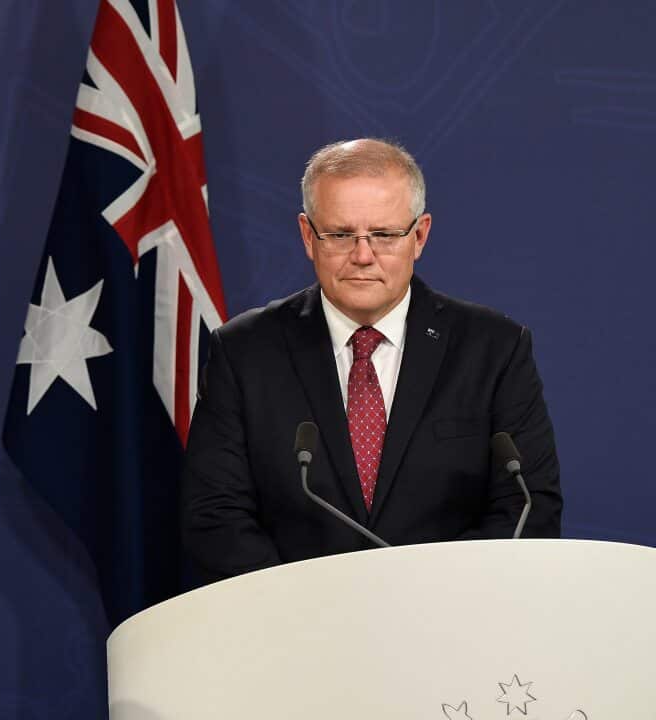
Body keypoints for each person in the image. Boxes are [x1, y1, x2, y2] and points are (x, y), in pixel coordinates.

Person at [180, 138, 561, 583]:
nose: (363, 256)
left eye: (383, 235)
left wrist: (431, 604)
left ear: (419, 236)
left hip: (451, 629)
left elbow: (528, 505)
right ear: (308, 236)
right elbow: (215, 515)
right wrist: (308, 611)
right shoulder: (244, 352)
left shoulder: (493, 349)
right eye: (341, 234)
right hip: (294, 632)